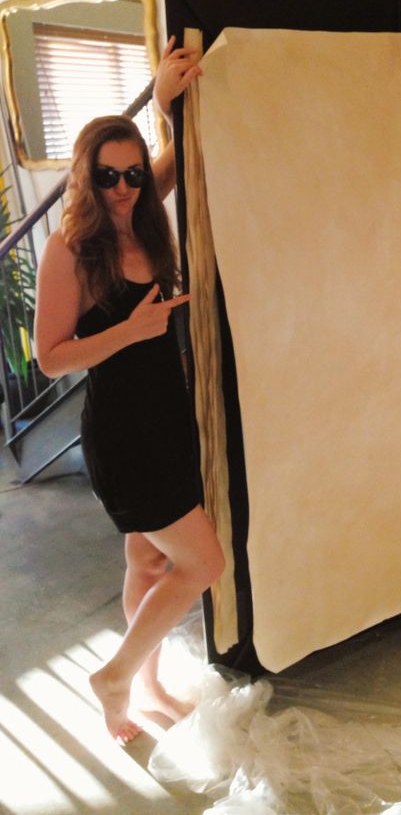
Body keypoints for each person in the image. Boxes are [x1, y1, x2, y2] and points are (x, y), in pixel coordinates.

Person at [34, 38, 224, 745]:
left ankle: (139, 691)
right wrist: (134, 330)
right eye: (107, 175)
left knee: (147, 558)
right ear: (86, 175)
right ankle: (115, 674)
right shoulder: (73, 247)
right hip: (124, 434)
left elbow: (175, 159)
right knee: (202, 562)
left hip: (166, 418)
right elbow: (50, 358)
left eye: (132, 174)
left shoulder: (143, 211)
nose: (122, 187)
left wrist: (165, 102)